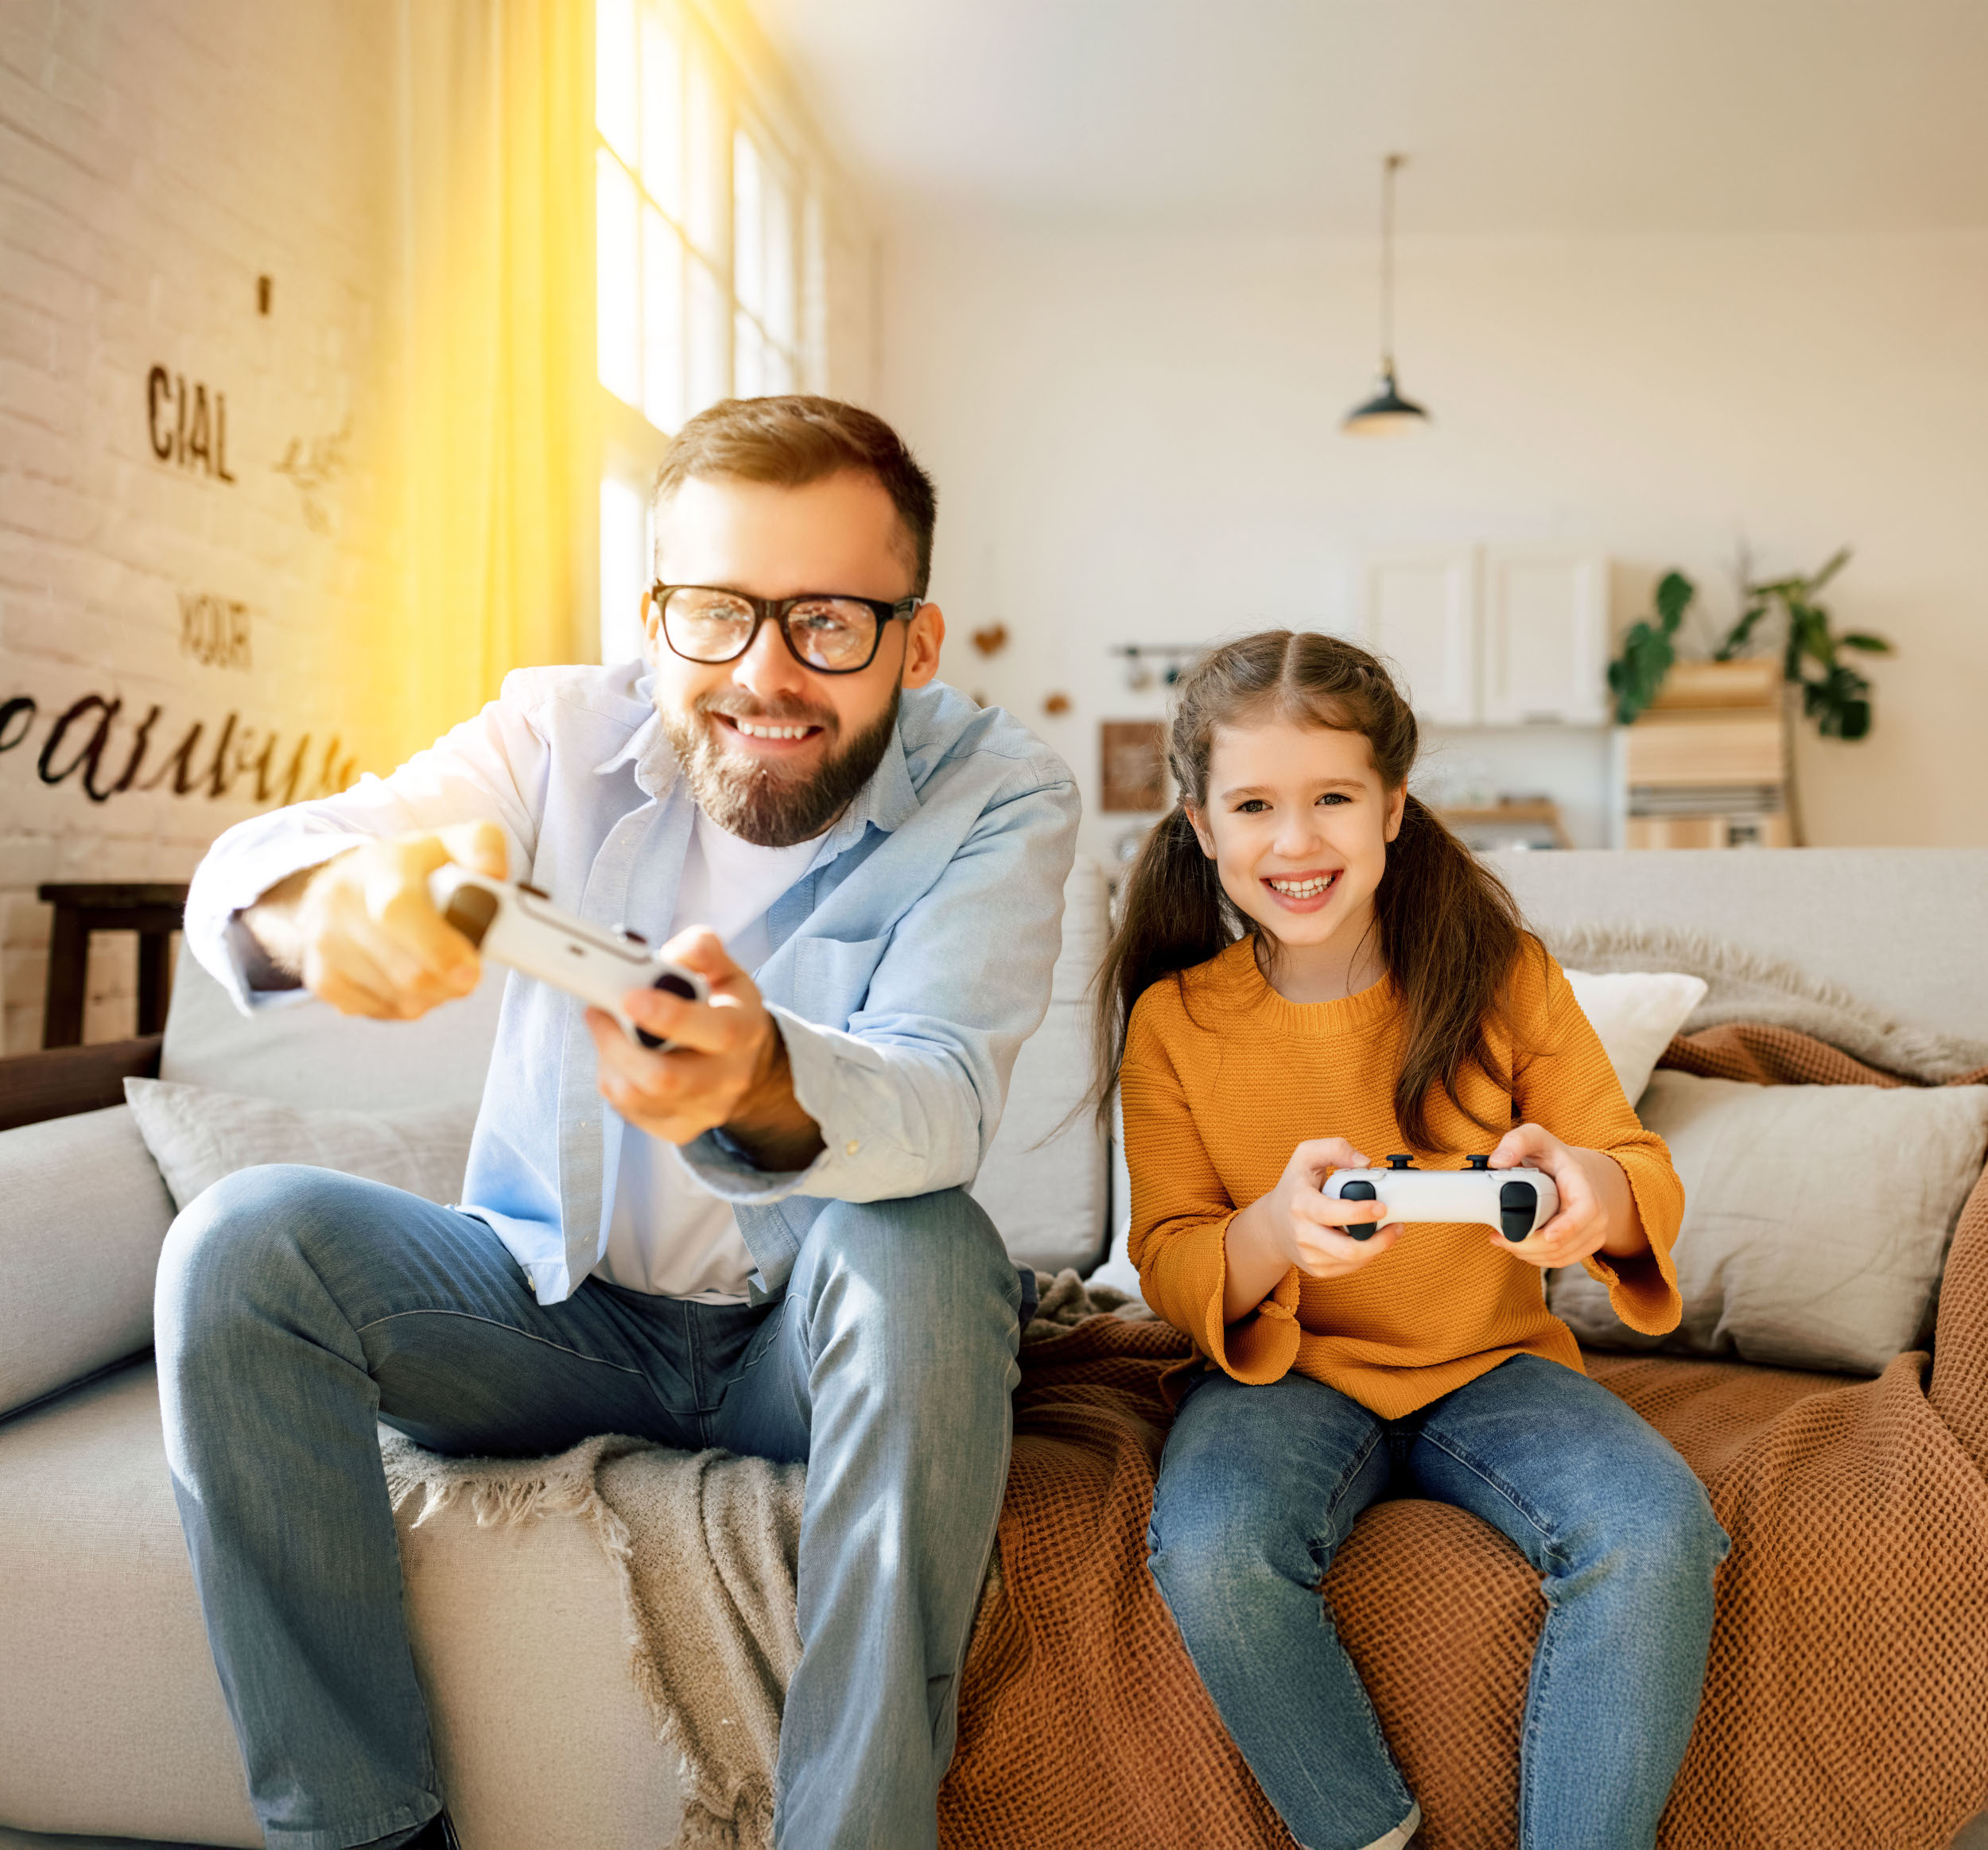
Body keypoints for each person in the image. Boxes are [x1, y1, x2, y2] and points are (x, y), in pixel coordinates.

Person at [154, 395, 1078, 1850]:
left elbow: (942, 1094)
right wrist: (323, 909)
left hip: (805, 1341)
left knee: (929, 1249)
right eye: (715, 614)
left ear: (918, 638)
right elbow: (272, 863)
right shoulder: (553, 731)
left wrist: (757, 1086)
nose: (764, 676)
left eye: (829, 621)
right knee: (240, 1247)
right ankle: (360, 1833)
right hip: (547, 1316)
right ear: (654, 619)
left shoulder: (998, 789)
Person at [1097, 630, 1727, 1850]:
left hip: (1492, 1362)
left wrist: (1583, 1193)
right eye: (1255, 806)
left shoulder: (1503, 977)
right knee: (1218, 1552)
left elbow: (1631, 1166)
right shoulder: (1175, 1024)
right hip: (1287, 1372)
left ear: (1393, 807)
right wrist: (1277, 1232)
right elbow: (1172, 1255)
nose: (1297, 841)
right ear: (1201, 823)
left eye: (1334, 798)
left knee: (1655, 1528)